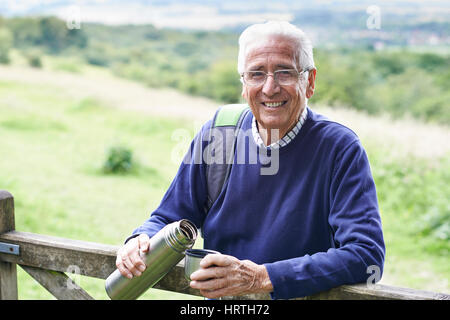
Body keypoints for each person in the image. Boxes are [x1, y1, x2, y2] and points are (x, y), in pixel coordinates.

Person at [115, 21, 385, 300]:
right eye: (256, 74)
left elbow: (366, 255)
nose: (270, 88)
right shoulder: (219, 134)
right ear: (244, 85)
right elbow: (170, 216)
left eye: (284, 73)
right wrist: (140, 240)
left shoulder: (339, 148)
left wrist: (262, 278)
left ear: (310, 81)